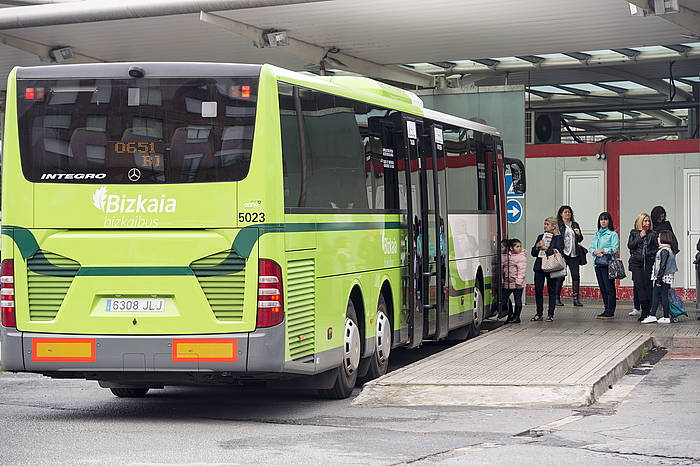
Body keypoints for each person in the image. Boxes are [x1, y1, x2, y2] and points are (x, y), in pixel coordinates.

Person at [531, 217, 564, 322]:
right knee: (538, 290)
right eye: (544, 224)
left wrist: (546, 248)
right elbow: (533, 253)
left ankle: (551, 313)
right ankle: (539, 313)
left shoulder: (558, 238)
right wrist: (537, 246)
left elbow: (558, 252)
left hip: (551, 266)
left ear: (553, 226)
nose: (545, 226)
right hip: (539, 266)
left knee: (552, 290)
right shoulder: (540, 237)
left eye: (547, 224)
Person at [642, 230, 678, 324]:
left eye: (659, 237)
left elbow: (663, 265)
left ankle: (665, 316)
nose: (657, 239)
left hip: (662, 278)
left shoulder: (665, 250)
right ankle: (653, 315)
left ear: (664, 238)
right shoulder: (666, 250)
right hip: (662, 277)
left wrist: (658, 279)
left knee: (662, 296)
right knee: (657, 296)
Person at [627, 213, 658, 321]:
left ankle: (647, 312)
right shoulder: (634, 233)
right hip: (636, 262)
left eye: (648, 221)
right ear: (640, 222)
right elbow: (630, 246)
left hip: (648, 262)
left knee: (647, 287)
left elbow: (655, 249)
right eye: (645, 221)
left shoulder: (653, 234)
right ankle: (644, 311)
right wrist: (640, 236)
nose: (647, 223)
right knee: (639, 286)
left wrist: (650, 255)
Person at [591, 212, 619, 320]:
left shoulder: (613, 234)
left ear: (609, 221)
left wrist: (603, 250)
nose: (603, 221)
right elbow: (591, 248)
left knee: (609, 287)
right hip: (598, 263)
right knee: (602, 288)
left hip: (608, 263)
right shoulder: (596, 234)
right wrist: (595, 252)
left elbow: (614, 249)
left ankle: (610, 311)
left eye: (605, 219)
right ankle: (606, 308)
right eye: (601, 219)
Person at [556, 205, 584, 307]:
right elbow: (557, 238)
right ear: (561, 214)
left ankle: (576, 299)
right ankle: (557, 298)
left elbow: (580, 239)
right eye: (565, 212)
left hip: (574, 253)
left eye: (569, 212)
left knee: (575, 276)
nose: (568, 214)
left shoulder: (575, 224)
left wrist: (579, 234)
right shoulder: (559, 225)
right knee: (560, 276)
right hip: (563, 254)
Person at [502, 239, 526, 324]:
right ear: (511, 248)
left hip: (517, 283)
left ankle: (516, 317)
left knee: (518, 300)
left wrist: (519, 281)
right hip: (507, 282)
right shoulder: (506, 256)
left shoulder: (521, 257)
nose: (519, 248)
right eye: (517, 246)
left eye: (520, 246)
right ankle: (510, 314)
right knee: (504, 299)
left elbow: (521, 271)